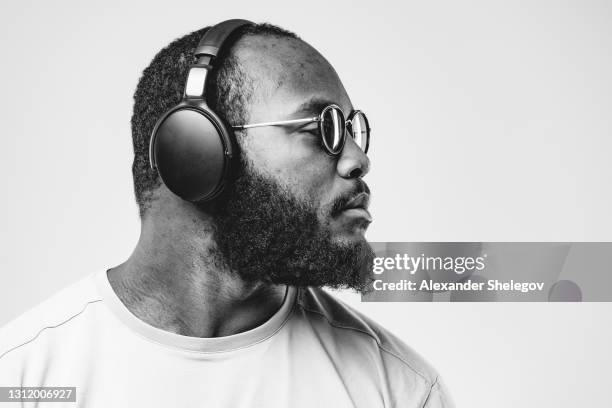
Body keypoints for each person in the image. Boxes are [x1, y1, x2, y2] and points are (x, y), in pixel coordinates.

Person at [0, 20, 454, 407]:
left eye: (352, 129)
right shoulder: (23, 377)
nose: (357, 159)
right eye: (323, 128)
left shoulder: (399, 390)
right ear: (195, 153)